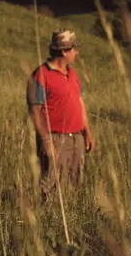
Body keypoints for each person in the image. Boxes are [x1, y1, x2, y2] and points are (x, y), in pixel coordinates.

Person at [26, 29, 95, 198]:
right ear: (63, 52)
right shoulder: (40, 75)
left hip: (76, 138)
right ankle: (47, 219)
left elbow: (80, 103)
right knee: (50, 186)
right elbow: (35, 111)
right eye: (73, 49)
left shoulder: (72, 73)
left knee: (74, 184)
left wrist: (87, 132)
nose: (76, 53)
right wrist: (46, 141)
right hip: (55, 138)